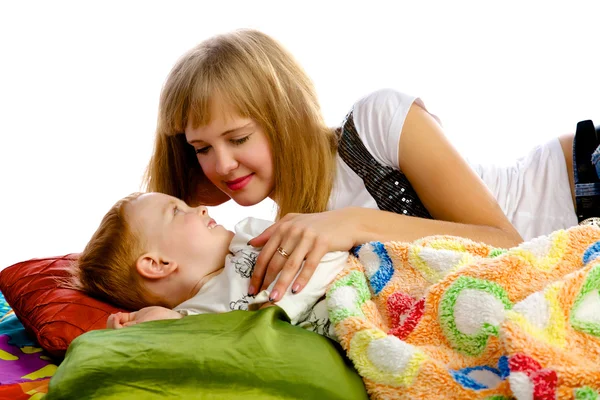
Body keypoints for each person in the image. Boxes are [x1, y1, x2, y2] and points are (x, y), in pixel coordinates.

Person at [143, 28, 600, 304]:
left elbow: (507, 244)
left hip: (579, 180)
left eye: (238, 138)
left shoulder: (374, 123)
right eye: (201, 148)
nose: (222, 164)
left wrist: (355, 223)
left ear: (285, 116)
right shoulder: (285, 242)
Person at [70, 192, 348, 339]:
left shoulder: (251, 238)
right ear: (158, 264)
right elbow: (177, 341)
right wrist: (137, 327)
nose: (202, 208)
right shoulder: (193, 318)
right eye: (178, 211)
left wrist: (276, 308)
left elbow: (330, 247)